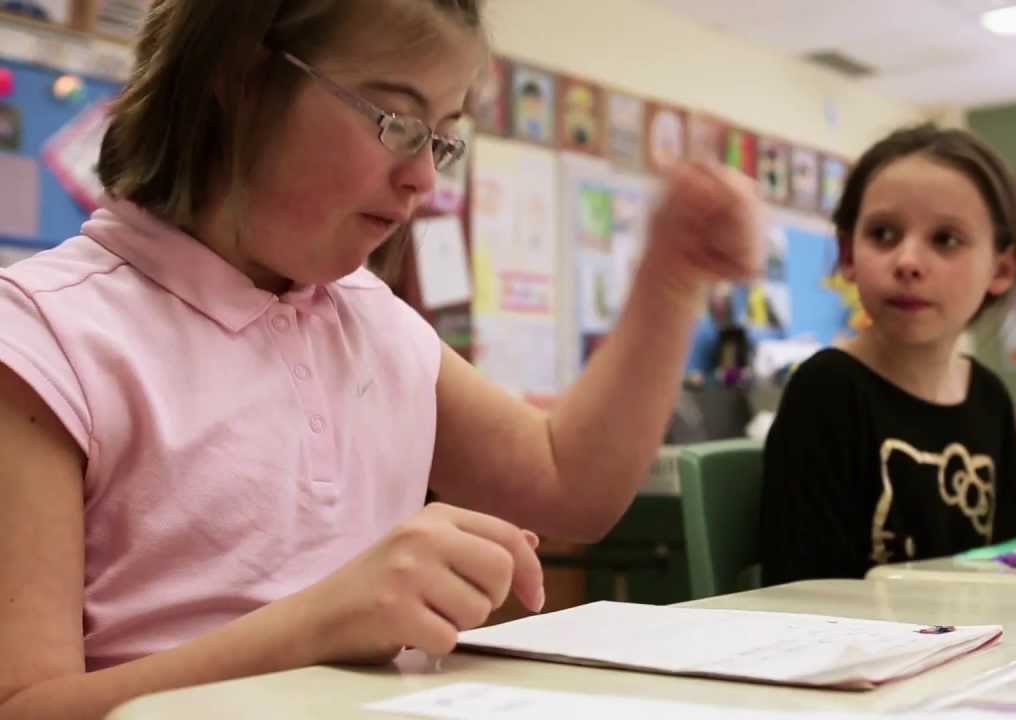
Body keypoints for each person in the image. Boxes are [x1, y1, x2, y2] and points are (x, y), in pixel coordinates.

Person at [0, 2, 764, 717]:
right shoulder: (47, 336)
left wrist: (670, 281)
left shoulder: (371, 321)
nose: (425, 179)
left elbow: (571, 486)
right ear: (236, 74)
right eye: (395, 120)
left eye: (441, 137)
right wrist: (313, 627)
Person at [759, 124, 1016, 585]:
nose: (907, 261)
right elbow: (804, 588)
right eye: (883, 234)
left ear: (1001, 268)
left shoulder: (989, 397)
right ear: (848, 255)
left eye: (945, 239)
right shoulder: (827, 388)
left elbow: (1012, 564)